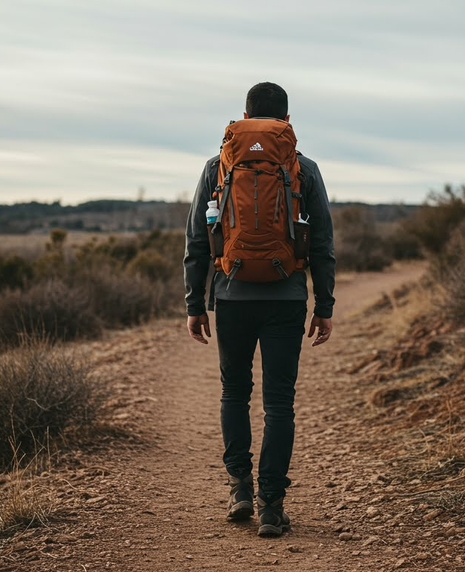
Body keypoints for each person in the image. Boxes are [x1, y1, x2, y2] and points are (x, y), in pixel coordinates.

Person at [183, 82, 336, 537]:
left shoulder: (218, 166)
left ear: (245, 116)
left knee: (234, 393)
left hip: (230, 296)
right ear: (286, 121)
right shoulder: (302, 168)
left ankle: (240, 490)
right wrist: (323, 304)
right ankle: (272, 505)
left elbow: (196, 241)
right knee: (279, 403)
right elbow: (323, 242)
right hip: (286, 297)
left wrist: (196, 302)